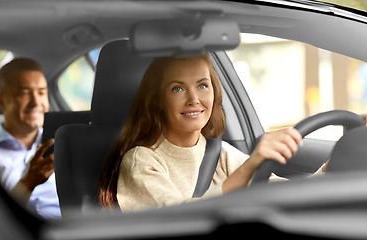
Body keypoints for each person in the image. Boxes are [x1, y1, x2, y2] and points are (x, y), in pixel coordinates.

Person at [98, 53, 305, 212]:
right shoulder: (141, 161)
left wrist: (329, 171)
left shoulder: (220, 152)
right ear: (158, 100)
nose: (193, 99)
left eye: (202, 86)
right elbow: (177, 218)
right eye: (177, 89)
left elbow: (276, 188)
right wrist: (247, 170)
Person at [0, 58, 61, 219]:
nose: (36, 102)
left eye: (42, 92)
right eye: (23, 93)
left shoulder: (64, 143)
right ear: (0, 101)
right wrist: (28, 182)